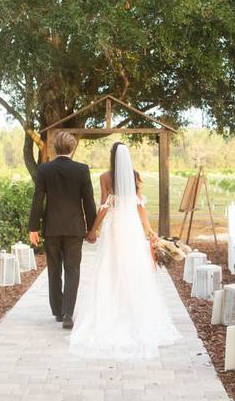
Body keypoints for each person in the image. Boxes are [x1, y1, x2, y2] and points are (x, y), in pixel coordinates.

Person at [69, 142, 181, 359]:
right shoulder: (135, 175)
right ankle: (134, 313)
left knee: (110, 268)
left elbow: (104, 206)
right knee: (133, 268)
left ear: (112, 157)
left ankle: (109, 312)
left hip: (114, 226)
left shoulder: (105, 177)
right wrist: (149, 232)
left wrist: (93, 230)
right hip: (130, 226)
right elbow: (141, 207)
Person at [28, 131, 97, 329]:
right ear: (72, 148)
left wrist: (34, 227)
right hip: (75, 228)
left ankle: (57, 311)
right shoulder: (82, 170)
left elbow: (37, 200)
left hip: (51, 228)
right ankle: (68, 313)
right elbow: (88, 201)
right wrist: (92, 228)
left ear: (55, 149)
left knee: (54, 269)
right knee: (73, 270)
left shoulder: (44, 170)